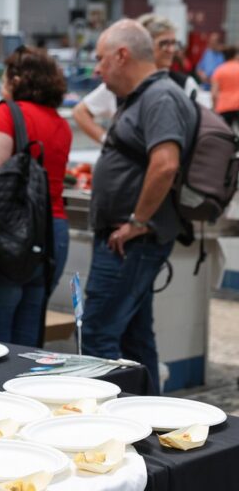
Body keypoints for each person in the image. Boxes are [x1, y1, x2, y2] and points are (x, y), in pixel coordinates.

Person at [82, 19, 197, 392]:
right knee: (135, 339)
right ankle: (150, 422)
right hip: (127, 241)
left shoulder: (160, 97)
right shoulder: (144, 96)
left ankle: (109, 428)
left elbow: (165, 164)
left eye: (101, 59)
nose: (97, 69)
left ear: (122, 55)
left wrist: (136, 220)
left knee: (99, 338)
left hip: (130, 242)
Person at [0, 47, 71, 346]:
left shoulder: (8, 113)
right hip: (53, 234)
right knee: (27, 342)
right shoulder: (61, 123)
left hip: (11, 236)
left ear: (18, 79)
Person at [72, 14, 199, 145]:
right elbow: (80, 112)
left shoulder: (184, 84)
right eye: (164, 43)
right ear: (145, 44)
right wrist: (107, 140)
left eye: (174, 43)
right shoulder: (120, 85)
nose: (171, 50)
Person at [211, 45, 239, 130]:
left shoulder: (218, 70)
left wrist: (213, 108)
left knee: (225, 133)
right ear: (235, 55)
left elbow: (214, 93)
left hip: (223, 107)